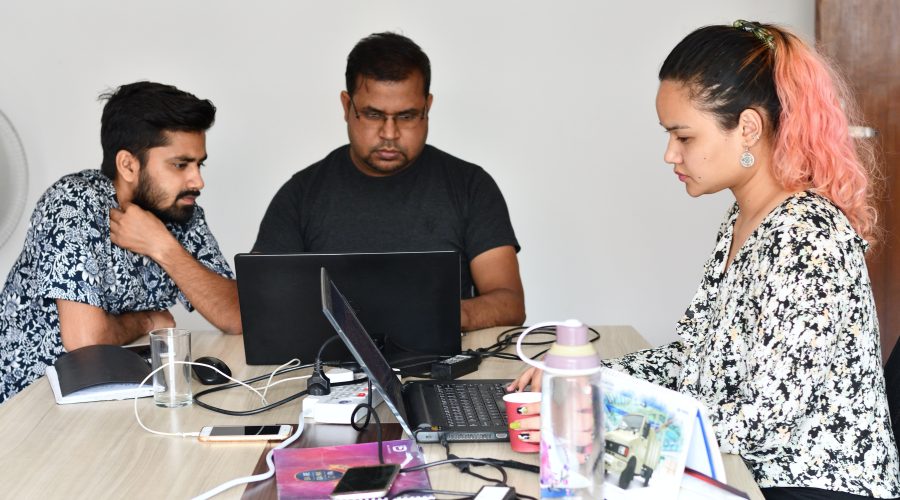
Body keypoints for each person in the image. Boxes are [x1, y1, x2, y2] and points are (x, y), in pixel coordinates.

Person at [510, 21, 900, 499]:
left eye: (684, 137)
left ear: (749, 128)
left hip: (807, 485)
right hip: (743, 470)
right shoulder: (748, 217)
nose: (669, 154)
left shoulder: (807, 237)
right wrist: (587, 377)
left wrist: (600, 420)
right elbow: (691, 360)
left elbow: (766, 423)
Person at [252, 32, 525, 333]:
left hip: (441, 366)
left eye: (407, 116)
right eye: (372, 114)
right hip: (331, 367)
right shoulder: (301, 194)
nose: (390, 133)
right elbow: (260, 304)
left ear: (427, 107)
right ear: (347, 106)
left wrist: (442, 315)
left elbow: (510, 302)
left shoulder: (471, 186)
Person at [0, 81, 242, 403]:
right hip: (28, 407)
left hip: (112, 397)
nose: (197, 181)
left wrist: (163, 246)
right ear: (128, 165)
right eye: (180, 165)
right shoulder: (73, 203)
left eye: (199, 164)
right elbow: (87, 342)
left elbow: (236, 316)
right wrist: (147, 320)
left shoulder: (180, 212)